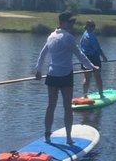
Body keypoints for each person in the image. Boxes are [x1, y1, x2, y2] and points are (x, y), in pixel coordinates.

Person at [35, 11, 97, 145]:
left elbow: (42, 54)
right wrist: (92, 66)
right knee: (67, 107)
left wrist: (39, 70)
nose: (73, 24)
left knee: (50, 106)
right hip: (65, 76)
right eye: (71, 22)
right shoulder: (68, 37)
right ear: (63, 23)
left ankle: (47, 135)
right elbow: (80, 55)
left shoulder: (51, 36)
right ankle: (68, 138)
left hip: (52, 75)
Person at [80, 20, 108, 98]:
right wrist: (104, 57)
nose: (94, 28)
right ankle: (101, 94)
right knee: (98, 76)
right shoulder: (91, 35)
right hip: (94, 58)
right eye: (92, 26)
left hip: (85, 58)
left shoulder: (84, 34)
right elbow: (97, 48)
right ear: (88, 26)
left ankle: (85, 96)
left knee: (86, 78)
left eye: (94, 26)